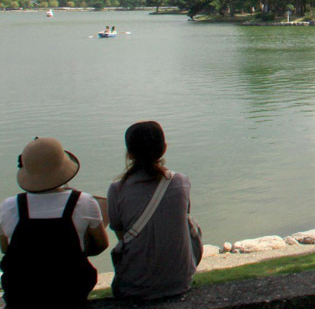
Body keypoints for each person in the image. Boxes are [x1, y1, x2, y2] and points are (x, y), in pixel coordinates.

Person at [0, 137, 108, 308]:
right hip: (70, 296)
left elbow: (6, 249)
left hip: (21, 298)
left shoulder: (8, 207)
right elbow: (101, 244)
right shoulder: (84, 202)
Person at [107, 121, 197, 300]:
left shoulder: (117, 189)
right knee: (190, 224)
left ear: (129, 153)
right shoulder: (181, 182)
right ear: (164, 148)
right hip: (180, 282)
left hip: (133, 286)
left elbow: (121, 234)